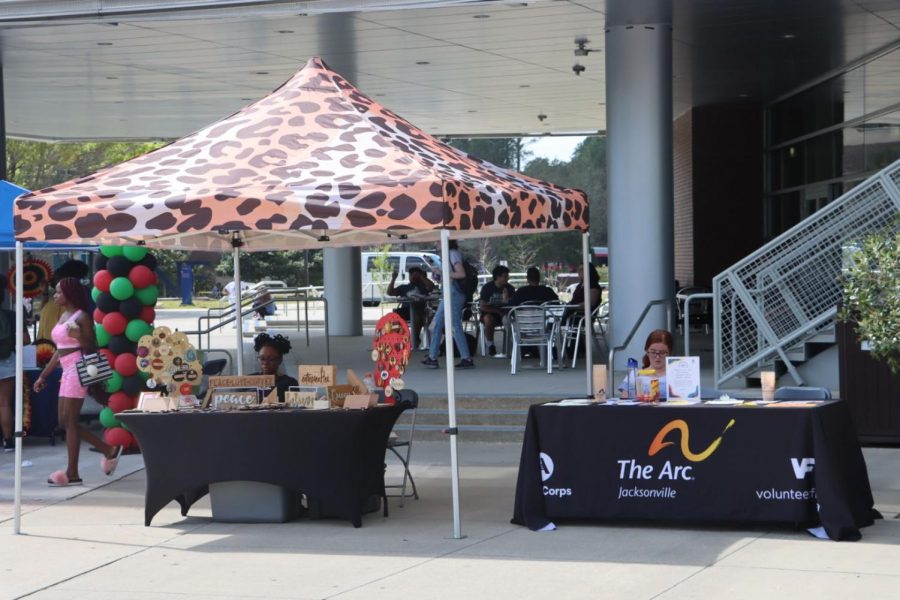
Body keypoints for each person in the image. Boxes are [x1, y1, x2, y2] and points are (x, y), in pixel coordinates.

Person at [33, 277, 122, 486]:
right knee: (64, 421)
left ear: (69, 294)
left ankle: (72, 472)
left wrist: (79, 335)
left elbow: (91, 346)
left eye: (58, 292)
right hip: (65, 370)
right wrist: (44, 375)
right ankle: (108, 449)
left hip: (78, 370)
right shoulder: (64, 315)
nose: (55, 295)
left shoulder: (82, 317)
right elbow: (59, 351)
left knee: (69, 421)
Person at [422, 240, 474, 369]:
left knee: (451, 325)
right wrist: (438, 274)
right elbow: (450, 275)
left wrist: (443, 273)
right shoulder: (447, 255)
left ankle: (464, 357)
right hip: (449, 293)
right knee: (439, 324)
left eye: (438, 241)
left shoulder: (452, 254)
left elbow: (461, 273)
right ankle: (433, 356)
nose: (436, 244)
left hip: (454, 293)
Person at [0, 275, 32, 452]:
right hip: (7, 361)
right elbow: (26, 340)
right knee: (4, 402)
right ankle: (8, 440)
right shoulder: (12, 316)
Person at [618, 329, 674, 399]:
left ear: (669, 353)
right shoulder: (634, 375)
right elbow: (624, 403)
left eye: (662, 353)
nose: (657, 356)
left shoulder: (677, 376)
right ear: (647, 352)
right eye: (653, 352)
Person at [387, 266, 435, 345]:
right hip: (405, 310)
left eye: (415, 275)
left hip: (421, 310)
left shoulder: (423, 287)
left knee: (417, 317)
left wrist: (421, 277)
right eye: (411, 275)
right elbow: (390, 292)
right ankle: (397, 341)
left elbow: (431, 287)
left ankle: (415, 340)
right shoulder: (404, 287)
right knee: (393, 317)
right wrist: (393, 279)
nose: (413, 277)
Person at [479, 265, 515, 356]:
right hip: (491, 313)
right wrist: (497, 311)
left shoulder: (510, 288)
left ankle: (514, 343)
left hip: (506, 313)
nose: (507, 278)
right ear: (498, 277)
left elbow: (514, 304)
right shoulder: (487, 288)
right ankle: (490, 345)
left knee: (509, 320)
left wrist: (507, 299)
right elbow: (482, 306)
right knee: (488, 319)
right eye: (505, 276)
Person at [252, 333, 298, 402]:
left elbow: (294, 408)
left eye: (271, 359)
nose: (265, 363)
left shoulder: (289, 383)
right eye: (262, 358)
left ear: (280, 360)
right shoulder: (247, 381)